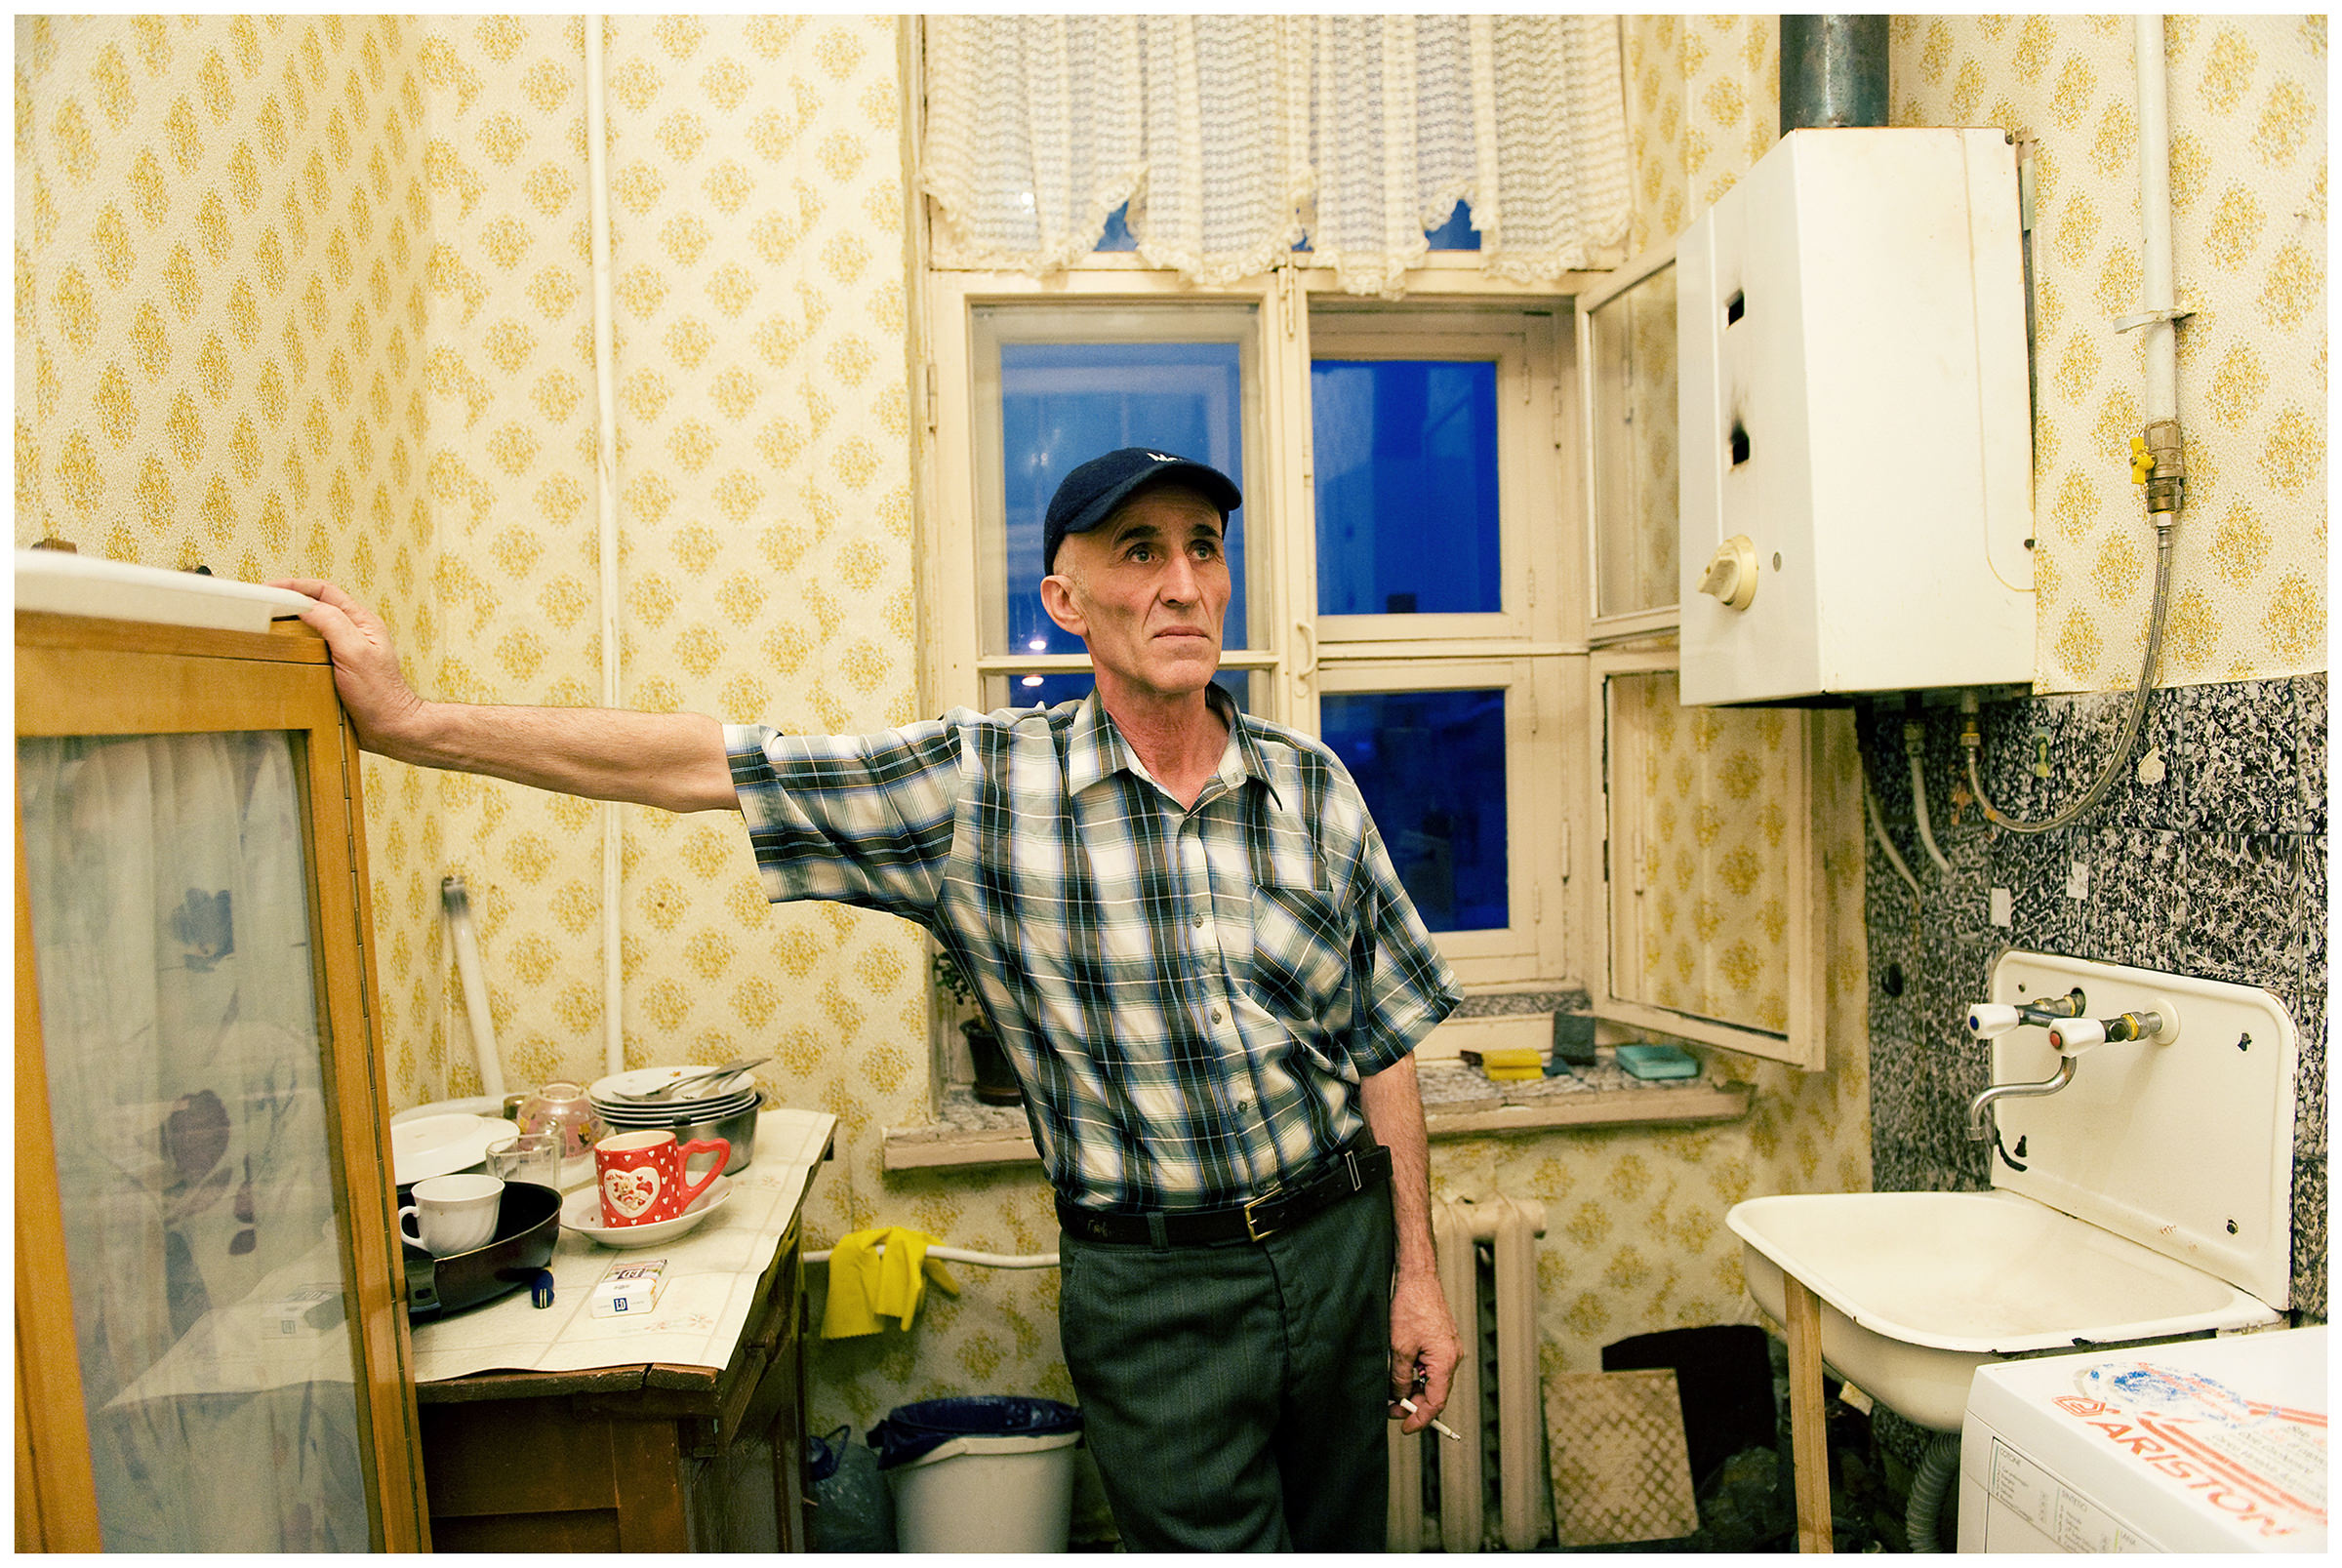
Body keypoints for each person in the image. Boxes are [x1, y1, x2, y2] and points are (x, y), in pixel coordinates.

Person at [276, 445, 1463, 1551]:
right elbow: (709, 763)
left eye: (1203, 546)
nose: (1182, 580)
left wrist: (1415, 1269)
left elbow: (1380, 1041)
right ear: (1066, 601)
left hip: (1340, 1247)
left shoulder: (1311, 785)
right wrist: (415, 724)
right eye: (1140, 551)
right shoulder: (984, 788)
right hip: (1159, 1296)